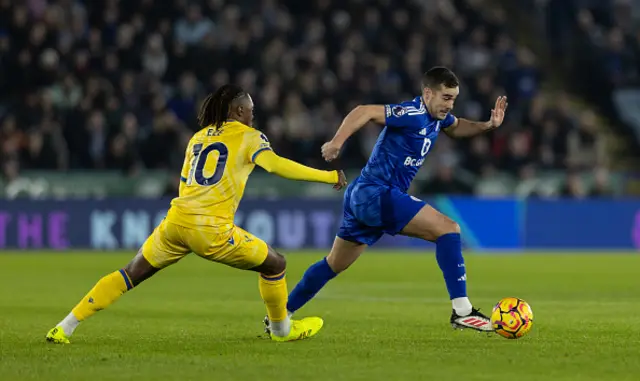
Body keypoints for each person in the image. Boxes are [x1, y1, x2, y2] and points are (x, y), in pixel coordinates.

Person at [46, 84, 347, 344]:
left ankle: (65, 327)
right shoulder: (250, 137)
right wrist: (328, 177)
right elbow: (277, 165)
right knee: (275, 264)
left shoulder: (199, 137)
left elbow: (185, 181)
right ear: (240, 111)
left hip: (175, 222)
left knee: (129, 274)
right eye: (250, 110)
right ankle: (282, 331)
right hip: (210, 228)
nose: (253, 115)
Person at [267, 67, 508, 333]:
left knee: (333, 264)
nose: (450, 105)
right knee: (449, 229)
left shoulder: (438, 118)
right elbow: (364, 111)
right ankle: (462, 311)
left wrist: (488, 125)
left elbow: (458, 126)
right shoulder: (412, 114)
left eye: (454, 98)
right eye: (446, 97)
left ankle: (280, 316)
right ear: (428, 93)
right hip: (377, 192)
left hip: (363, 195)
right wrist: (337, 142)